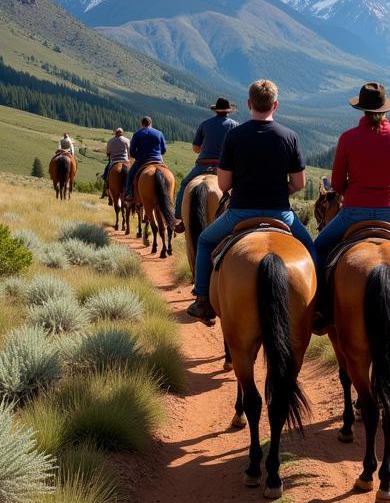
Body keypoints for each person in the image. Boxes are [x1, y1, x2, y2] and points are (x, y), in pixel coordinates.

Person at [186, 79, 316, 322]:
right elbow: (298, 184)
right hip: (281, 213)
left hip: (240, 212)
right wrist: (277, 191)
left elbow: (223, 185)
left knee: (204, 241)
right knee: (310, 246)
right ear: (275, 105)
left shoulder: (235, 136)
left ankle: (202, 299)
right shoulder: (290, 136)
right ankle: (318, 304)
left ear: (249, 103)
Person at [312, 82, 390, 329]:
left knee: (318, 247)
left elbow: (336, 182)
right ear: (384, 109)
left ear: (362, 110)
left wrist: (352, 192)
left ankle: (320, 307)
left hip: (353, 212)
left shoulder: (347, 138)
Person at [174, 97, 239, 232]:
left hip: (202, 165)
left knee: (185, 184)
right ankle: (239, 219)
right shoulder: (234, 125)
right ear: (228, 111)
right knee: (239, 188)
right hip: (224, 167)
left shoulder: (205, 124)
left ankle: (179, 218)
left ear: (216, 110)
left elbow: (196, 148)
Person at [123, 116, 168, 203]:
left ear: (142, 124)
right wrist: (158, 154)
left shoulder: (137, 134)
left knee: (130, 175)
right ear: (151, 123)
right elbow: (164, 149)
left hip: (142, 161)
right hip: (158, 160)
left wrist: (137, 156)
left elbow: (132, 151)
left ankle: (129, 193)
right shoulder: (159, 133)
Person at [100, 127, 131, 198]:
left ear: (115, 133)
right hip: (125, 161)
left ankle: (107, 189)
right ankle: (131, 190)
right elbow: (129, 153)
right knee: (132, 173)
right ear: (122, 133)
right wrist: (128, 158)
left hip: (113, 161)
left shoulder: (110, 141)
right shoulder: (127, 140)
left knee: (106, 173)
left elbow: (108, 153)